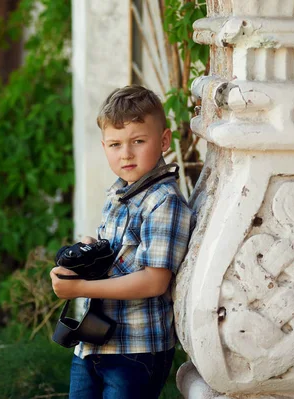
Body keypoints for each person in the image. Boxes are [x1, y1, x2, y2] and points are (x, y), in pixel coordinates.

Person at [50, 84, 195, 399]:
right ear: (104, 147)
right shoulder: (118, 192)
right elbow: (122, 256)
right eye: (115, 144)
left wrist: (80, 289)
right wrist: (90, 253)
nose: (126, 153)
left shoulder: (163, 201)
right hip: (94, 341)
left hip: (136, 349)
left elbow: (154, 281)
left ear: (164, 141)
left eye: (138, 141)